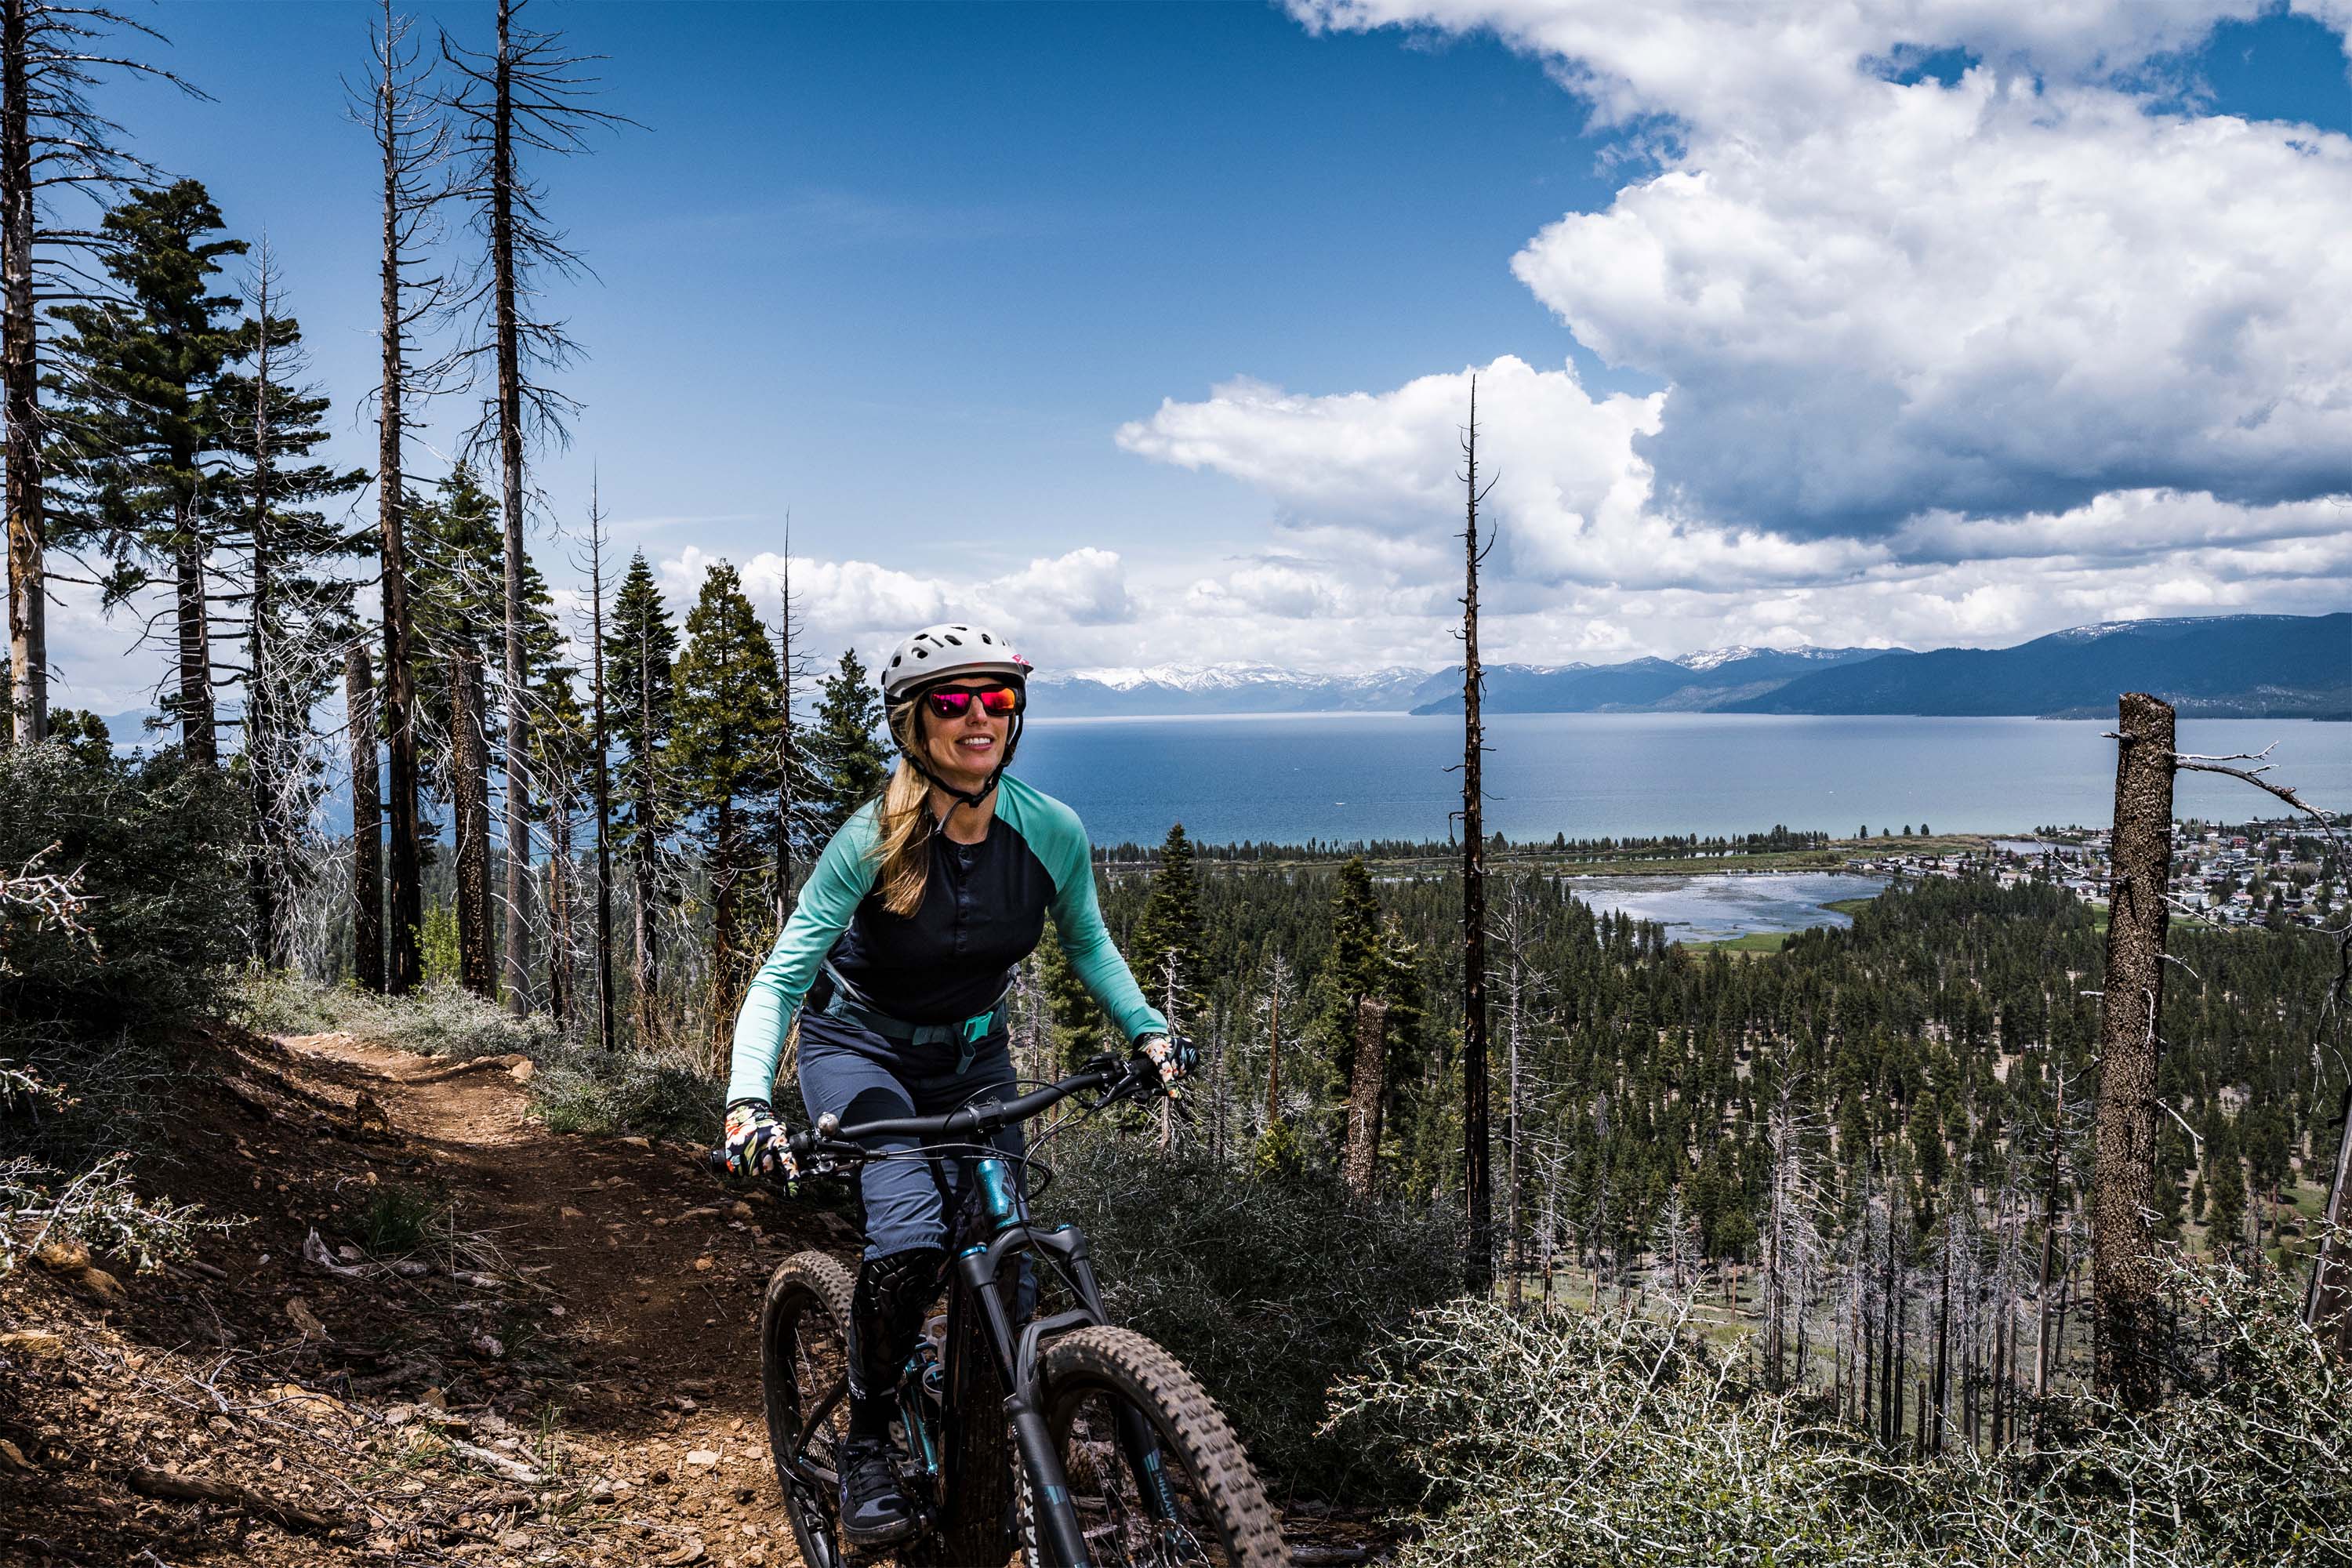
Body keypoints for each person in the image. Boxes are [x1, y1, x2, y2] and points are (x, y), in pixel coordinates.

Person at [721, 622, 1192, 1549]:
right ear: (912, 722)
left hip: (975, 1054)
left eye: (997, 698)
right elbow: (781, 978)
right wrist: (746, 1101)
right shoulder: (871, 839)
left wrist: (1147, 1028)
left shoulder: (1049, 828)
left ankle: (986, 1435)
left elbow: (1088, 941)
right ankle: (864, 1437)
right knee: (907, 1239)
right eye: (952, 700)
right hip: (860, 1048)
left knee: (1005, 1247)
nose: (978, 716)